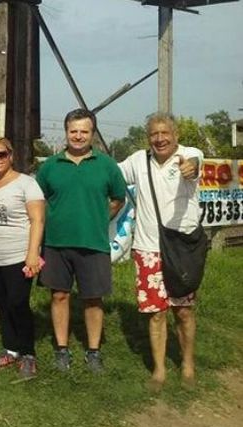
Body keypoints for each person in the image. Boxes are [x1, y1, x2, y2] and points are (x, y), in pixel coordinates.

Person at [36, 109, 127, 373]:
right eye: (73, 131)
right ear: (66, 132)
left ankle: (94, 351)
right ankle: (62, 350)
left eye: (84, 131)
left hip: (93, 242)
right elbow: (38, 201)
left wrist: (98, 219)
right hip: (56, 243)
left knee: (93, 299)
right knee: (60, 296)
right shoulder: (50, 166)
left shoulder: (107, 165)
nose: (78, 136)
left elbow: (118, 199)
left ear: (92, 134)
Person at [118, 113, 202, 390]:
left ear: (175, 135)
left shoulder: (190, 154)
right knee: (156, 313)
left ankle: (188, 364)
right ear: (148, 138)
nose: (160, 139)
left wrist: (191, 168)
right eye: (154, 134)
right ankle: (159, 369)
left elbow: (195, 165)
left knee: (184, 311)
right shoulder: (138, 161)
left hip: (181, 249)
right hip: (147, 249)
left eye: (165, 133)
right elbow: (110, 174)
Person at [0, 138, 45, 380]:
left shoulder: (27, 184)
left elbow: (37, 220)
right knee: (4, 305)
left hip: (18, 257)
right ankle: (11, 349)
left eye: (1, 154)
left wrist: (32, 254)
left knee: (18, 304)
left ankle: (28, 354)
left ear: (11, 155)